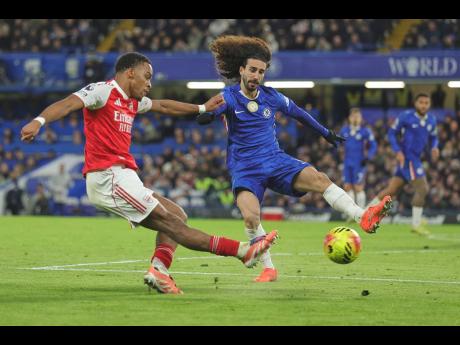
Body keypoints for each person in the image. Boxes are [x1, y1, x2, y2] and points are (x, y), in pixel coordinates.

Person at [20, 52, 278, 295]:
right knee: (172, 224)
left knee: (177, 214)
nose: (150, 83)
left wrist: (200, 108)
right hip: (108, 177)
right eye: (147, 76)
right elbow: (68, 103)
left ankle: (159, 270)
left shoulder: (132, 101)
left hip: (123, 175)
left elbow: (163, 106)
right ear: (130, 73)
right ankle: (243, 251)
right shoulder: (103, 91)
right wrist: (39, 121)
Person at [197, 36, 392, 283]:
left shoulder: (272, 96)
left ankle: (361, 216)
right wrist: (206, 114)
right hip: (245, 169)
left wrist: (326, 133)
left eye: (261, 71)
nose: (257, 76)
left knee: (320, 179)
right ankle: (268, 268)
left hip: (275, 160)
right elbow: (211, 110)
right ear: (242, 70)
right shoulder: (229, 96)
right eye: (253, 70)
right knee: (250, 217)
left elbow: (299, 113)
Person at [369, 93, 439, 236]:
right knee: (422, 188)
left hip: (416, 158)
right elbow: (391, 133)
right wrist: (397, 151)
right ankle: (416, 224)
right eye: (421, 102)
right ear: (415, 103)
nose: (424, 105)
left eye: (426, 102)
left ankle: (364, 213)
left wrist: (434, 147)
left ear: (430, 104)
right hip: (409, 158)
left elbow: (434, 137)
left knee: (391, 190)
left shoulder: (431, 120)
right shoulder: (406, 116)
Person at [339, 108, 377, 212]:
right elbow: (338, 143)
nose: (355, 119)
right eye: (353, 117)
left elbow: (373, 145)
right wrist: (338, 152)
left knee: (358, 187)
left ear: (361, 119)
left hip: (359, 163)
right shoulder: (344, 130)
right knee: (347, 187)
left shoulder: (365, 131)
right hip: (347, 162)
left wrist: (368, 157)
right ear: (349, 118)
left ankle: (361, 213)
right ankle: (351, 212)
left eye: (357, 117)